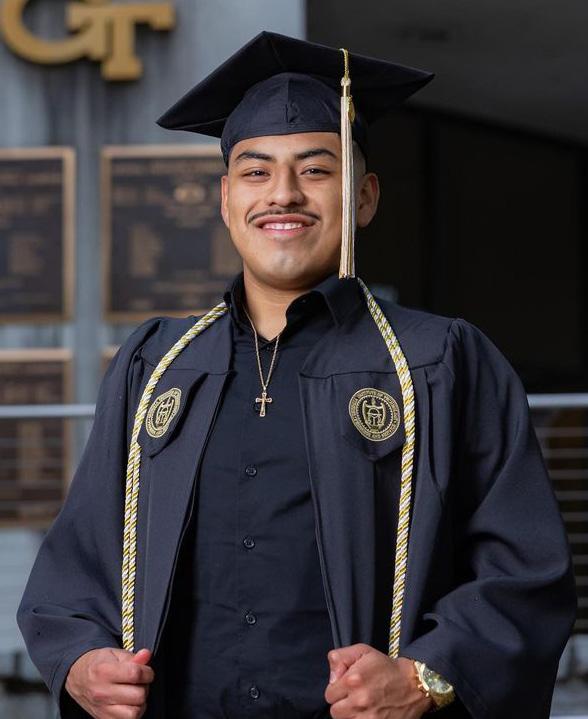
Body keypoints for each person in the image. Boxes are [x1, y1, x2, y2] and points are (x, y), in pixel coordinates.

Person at [17, 31, 576, 719]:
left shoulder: (441, 360)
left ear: (363, 198)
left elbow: (524, 571)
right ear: (226, 200)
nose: (283, 194)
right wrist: (81, 661)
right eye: (256, 172)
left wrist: (425, 676)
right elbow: (80, 562)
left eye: (315, 170)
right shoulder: (157, 363)